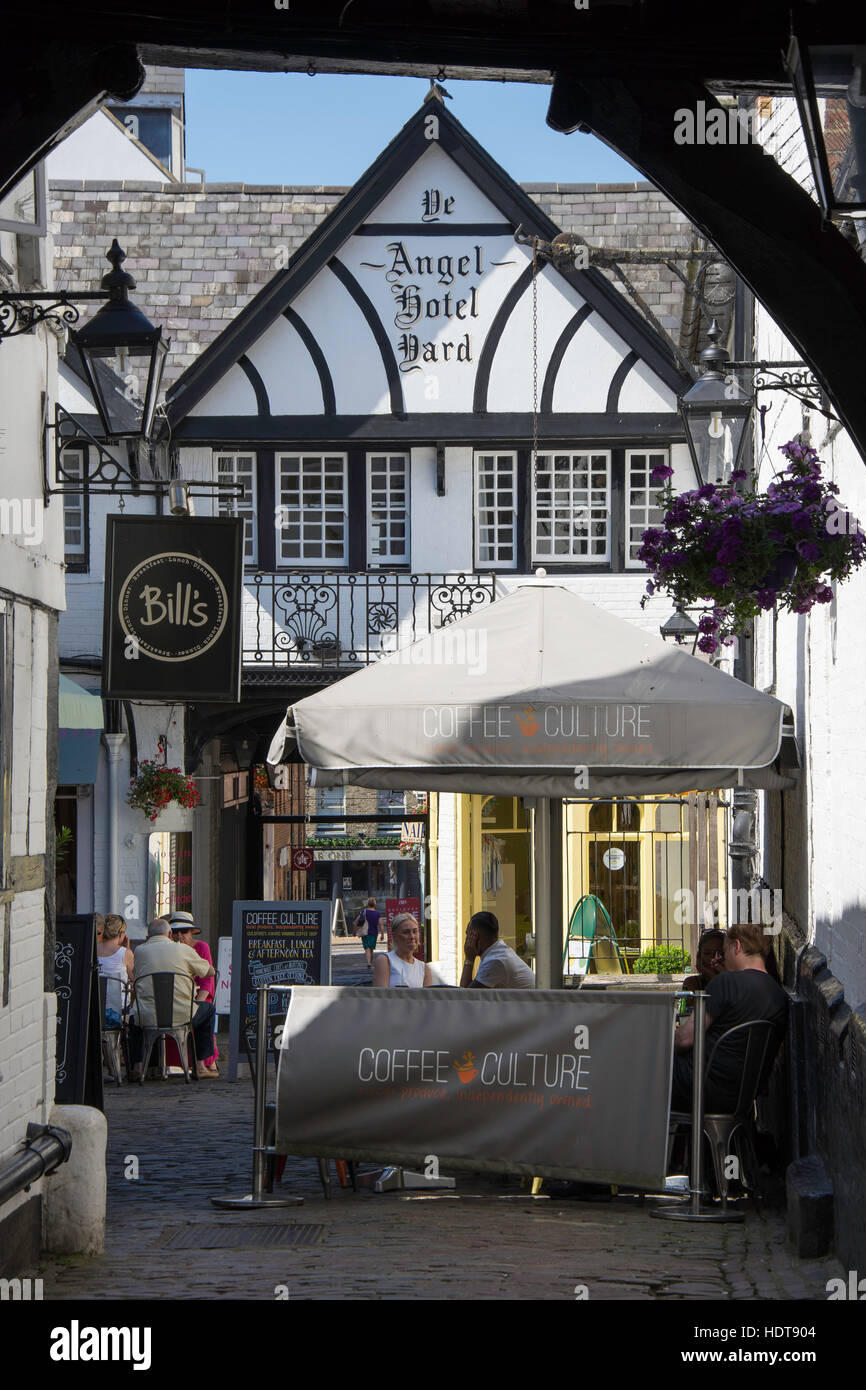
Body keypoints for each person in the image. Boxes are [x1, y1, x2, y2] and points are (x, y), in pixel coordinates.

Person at [672, 922, 788, 1113]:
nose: (722, 958)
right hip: (741, 1095)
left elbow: (684, 1039)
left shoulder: (726, 983)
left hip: (698, 1087)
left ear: (737, 946)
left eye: (724, 951)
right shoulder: (778, 994)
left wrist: (663, 1041)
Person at [128, 918, 215, 1079]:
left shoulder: (139, 951)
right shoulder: (182, 949)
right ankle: (201, 1064)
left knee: (133, 1017)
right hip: (181, 1016)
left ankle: (138, 1066)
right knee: (208, 1009)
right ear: (169, 934)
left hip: (148, 1017)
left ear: (148, 936)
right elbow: (210, 972)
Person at [168, 911, 220, 1077]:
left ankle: (206, 1063)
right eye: (175, 932)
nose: (179, 936)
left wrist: (197, 1002)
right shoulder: (169, 949)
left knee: (203, 1012)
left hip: (198, 995)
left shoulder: (201, 947)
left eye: (183, 932)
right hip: (177, 996)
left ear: (191, 933)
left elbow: (207, 980)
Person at [460, 911, 536, 989]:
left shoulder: (495, 961)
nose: (466, 940)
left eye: (468, 934)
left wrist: (469, 959)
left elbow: (465, 996)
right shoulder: (499, 951)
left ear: (476, 937)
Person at [372, 913, 433, 987]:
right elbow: (381, 995)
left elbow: (428, 997)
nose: (412, 936)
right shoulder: (385, 961)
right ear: (394, 936)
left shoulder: (424, 968)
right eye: (406, 932)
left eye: (415, 931)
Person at [97, 913, 134, 1027]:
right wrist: (127, 949)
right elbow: (133, 980)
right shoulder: (125, 953)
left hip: (96, 1005)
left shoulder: (93, 948)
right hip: (119, 1008)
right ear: (121, 934)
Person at [682, 928, 726, 995]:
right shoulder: (692, 982)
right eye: (707, 953)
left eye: (720, 954)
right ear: (699, 956)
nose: (713, 958)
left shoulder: (735, 983)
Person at [355, 897, 381, 970]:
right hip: (374, 933)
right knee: (371, 949)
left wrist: (354, 931)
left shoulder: (364, 912)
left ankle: (369, 963)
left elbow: (356, 921)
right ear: (375, 904)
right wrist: (382, 933)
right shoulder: (377, 913)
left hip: (365, 932)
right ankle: (370, 963)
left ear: (368, 904)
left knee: (367, 949)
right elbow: (381, 924)